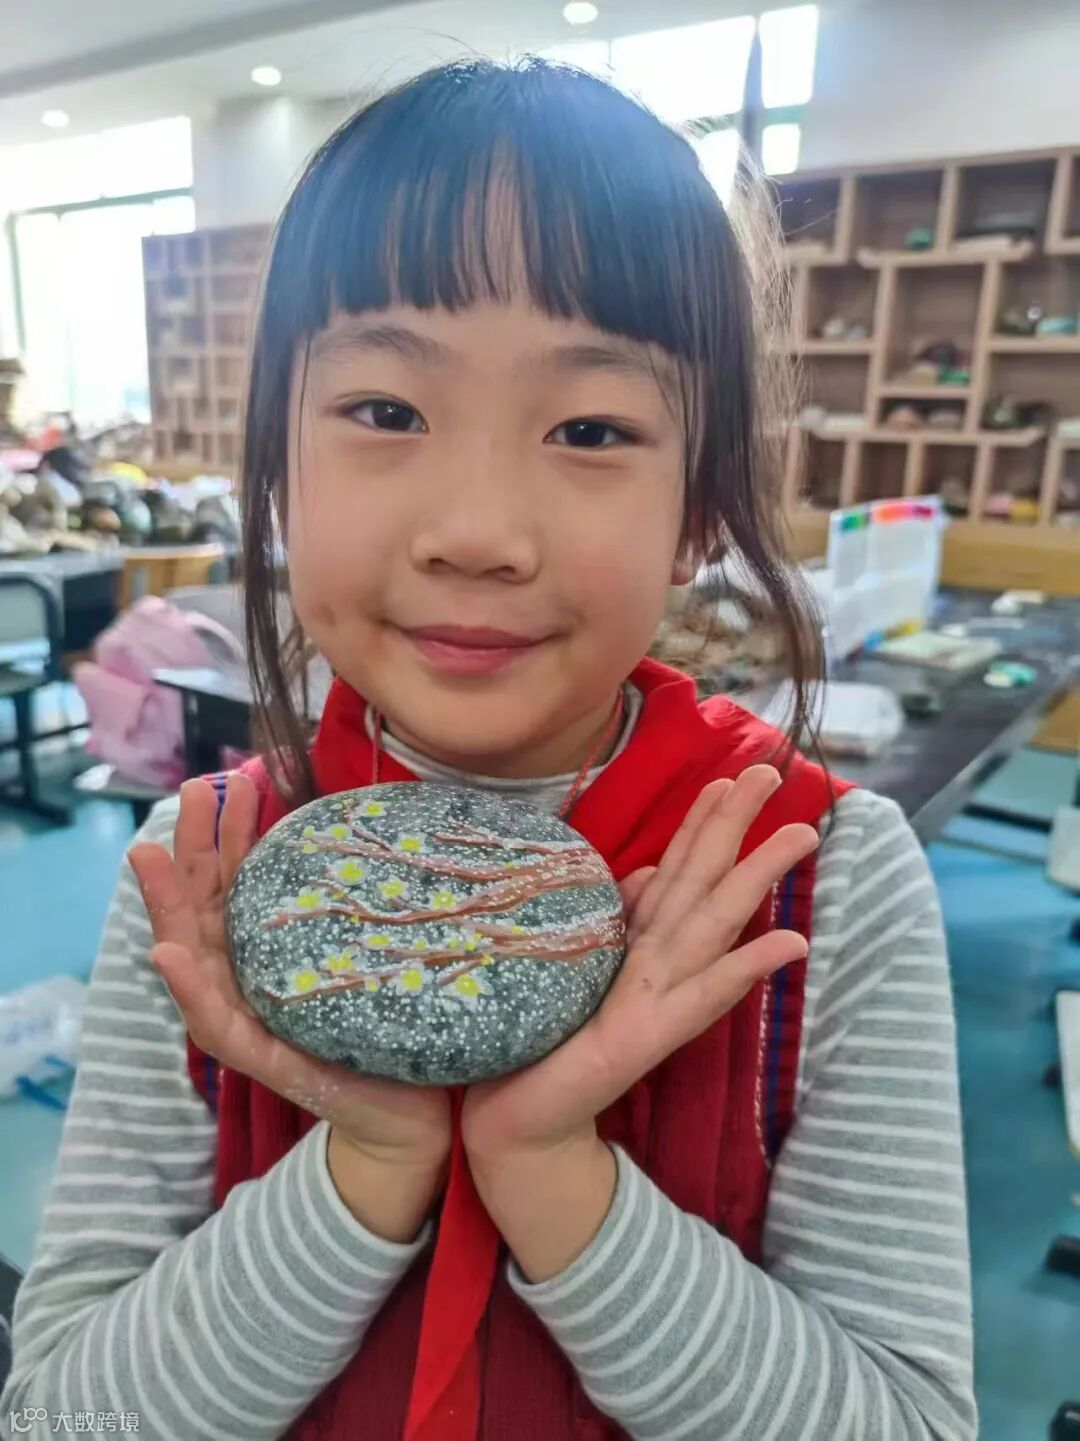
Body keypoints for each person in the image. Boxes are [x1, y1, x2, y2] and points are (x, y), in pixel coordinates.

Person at [2, 60, 975, 1440]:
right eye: (386, 410)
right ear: (277, 464)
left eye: (592, 428)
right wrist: (368, 1155)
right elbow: (58, 1415)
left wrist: (550, 1168)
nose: (476, 532)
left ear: (700, 510)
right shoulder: (199, 869)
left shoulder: (821, 880)